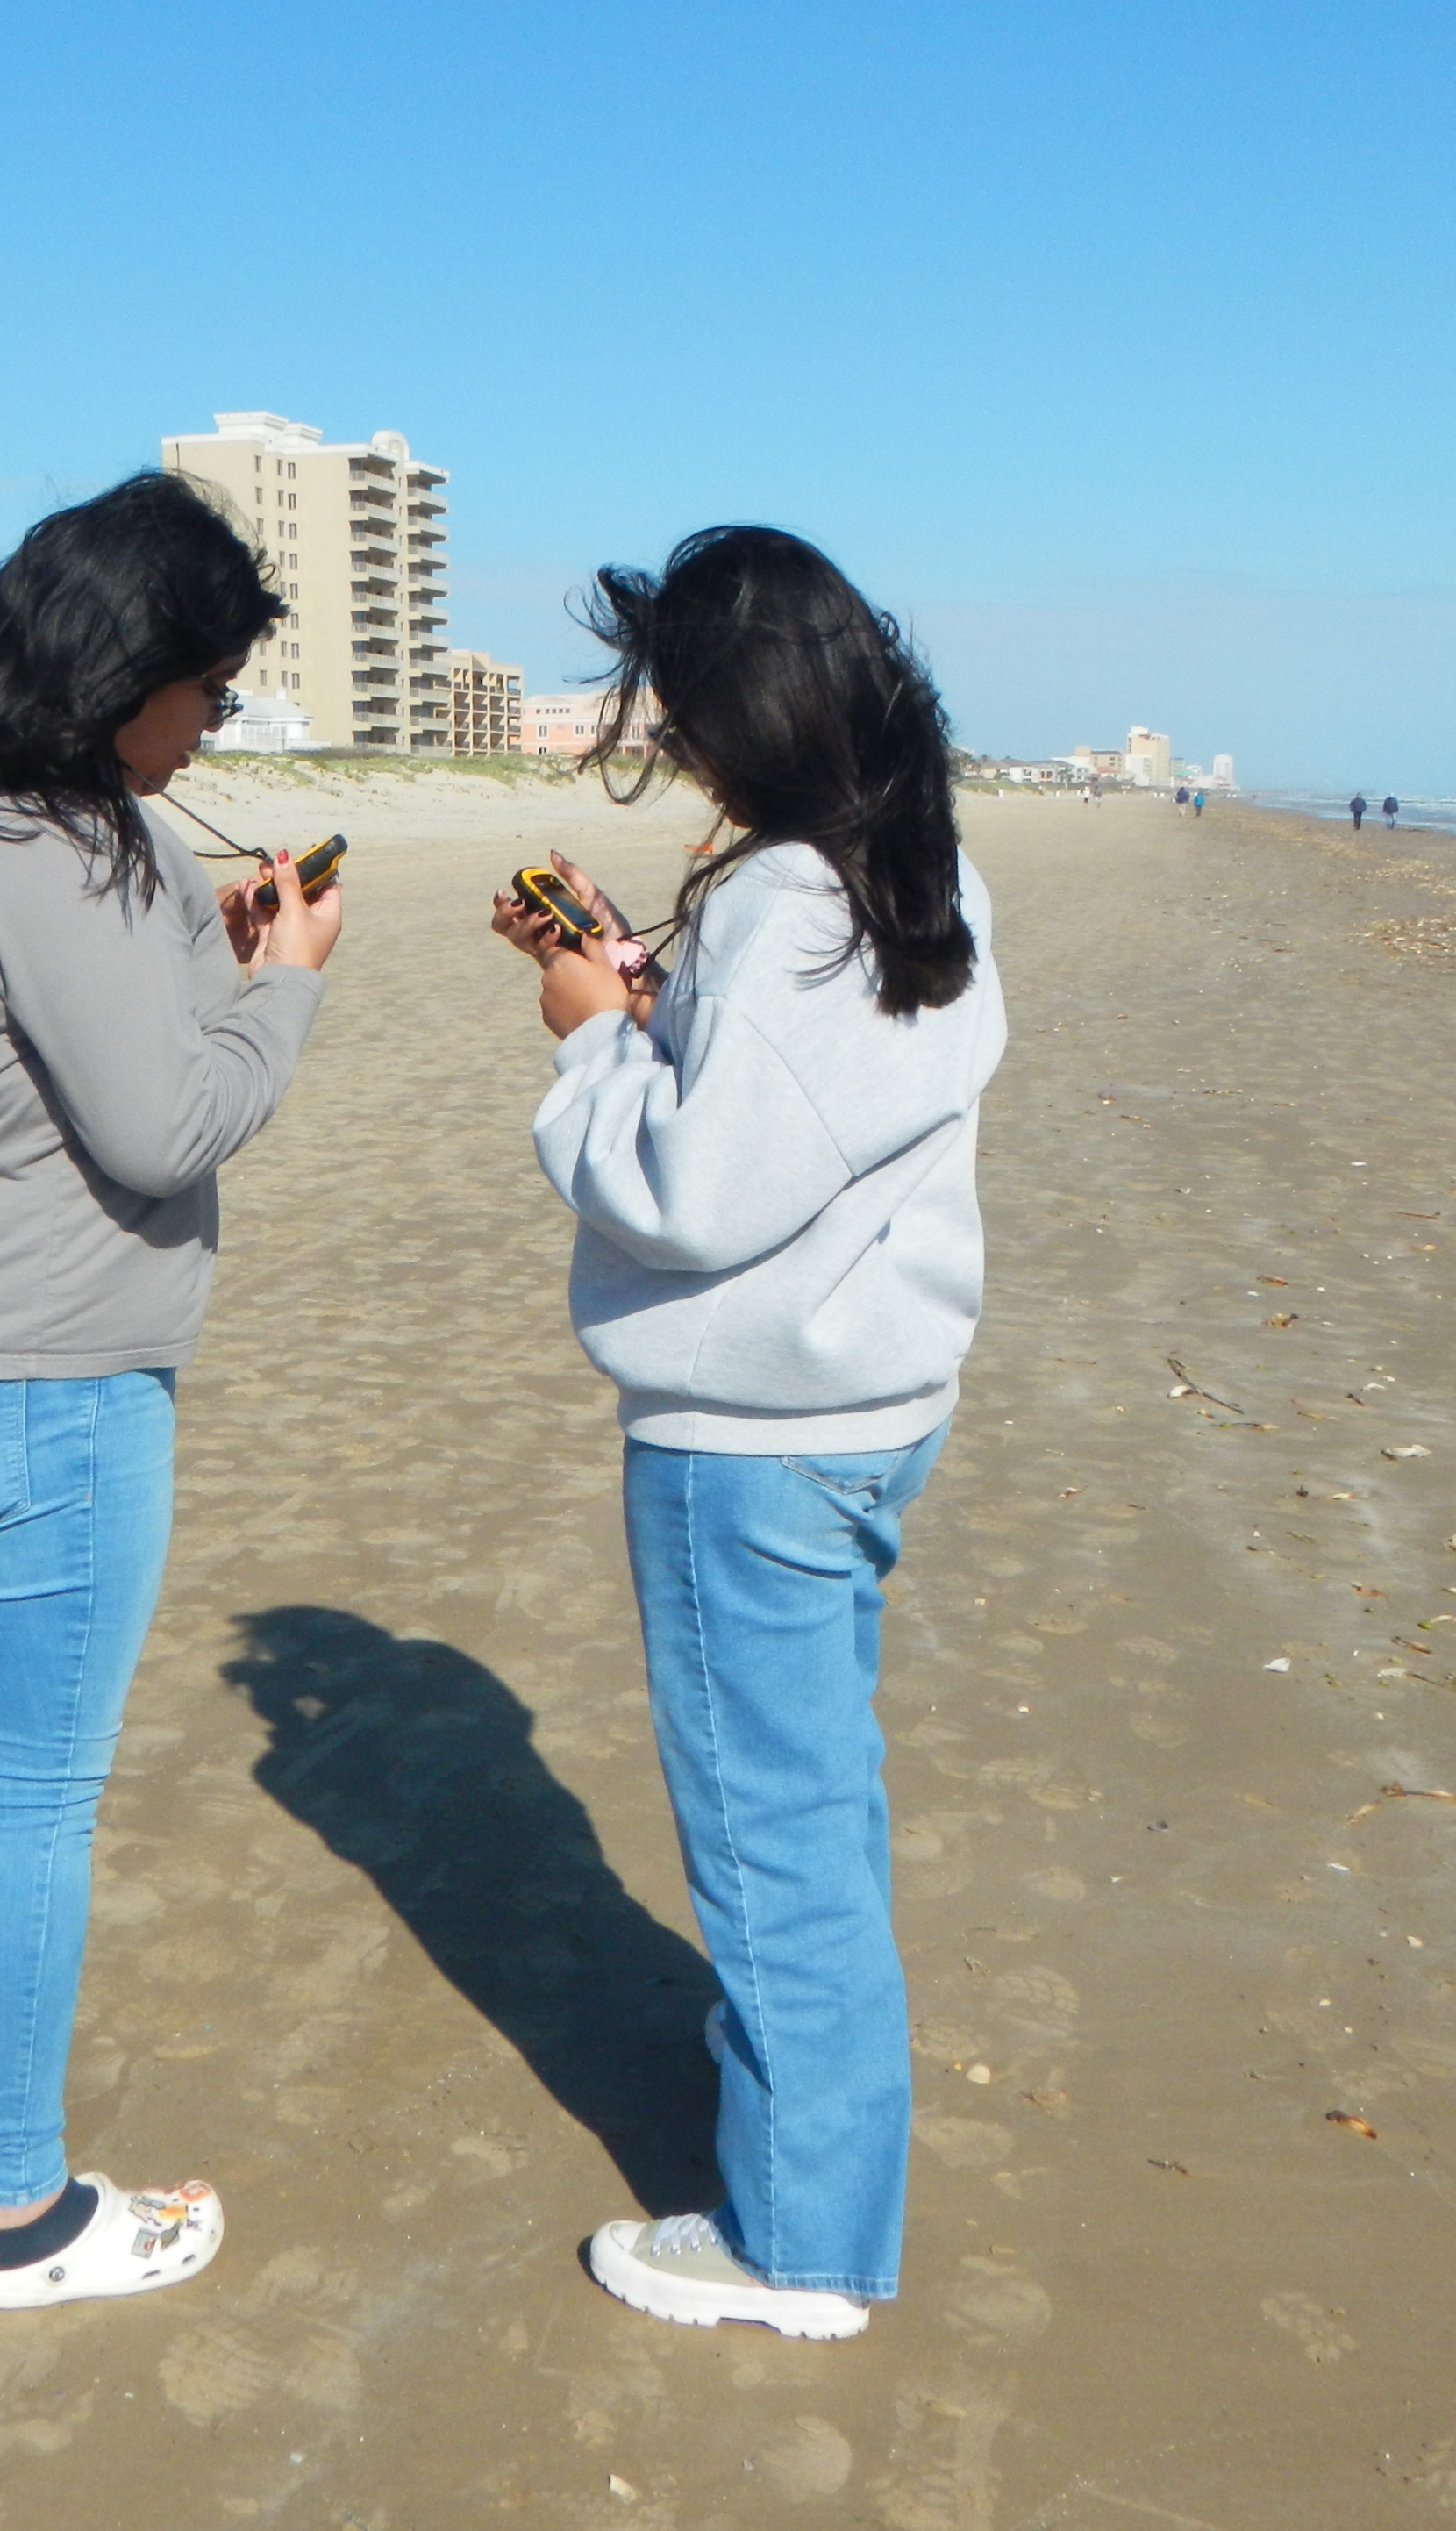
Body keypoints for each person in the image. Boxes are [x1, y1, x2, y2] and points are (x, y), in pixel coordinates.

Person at [0, 473, 339, 2309]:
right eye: (201, 690)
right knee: (26, 1800)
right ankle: (14, 2210)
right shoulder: (48, 840)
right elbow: (168, 1118)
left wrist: (215, 946)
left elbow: (64, 1045)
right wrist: (291, 989)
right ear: (120, 673)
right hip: (25, 1382)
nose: (206, 727)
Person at [490, 526, 1006, 2340]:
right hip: (867, 1410)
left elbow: (691, 1191)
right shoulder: (909, 869)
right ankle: (816, 2185)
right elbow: (795, 1110)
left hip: (752, 1440)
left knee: (774, 1836)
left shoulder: (791, 901)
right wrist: (651, 996)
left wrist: (582, 1039)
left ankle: (800, 2246)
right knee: (814, 1807)